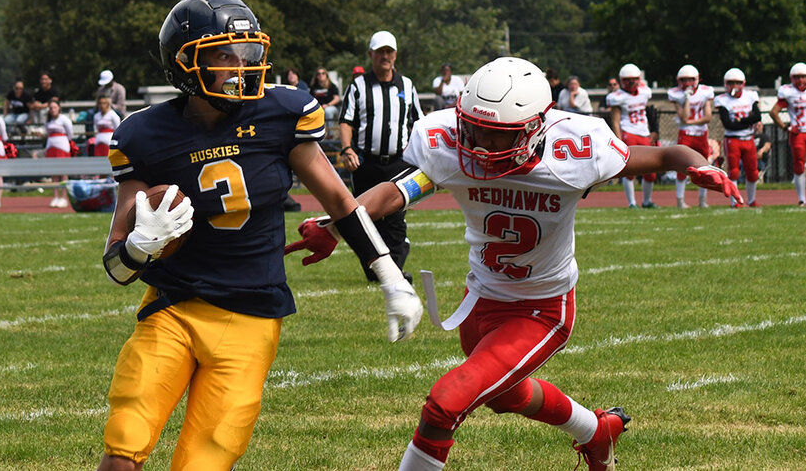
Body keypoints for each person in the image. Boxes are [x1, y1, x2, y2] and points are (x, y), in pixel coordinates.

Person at [286, 57, 741, 471]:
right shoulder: (451, 143)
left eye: (496, 134)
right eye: (475, 129)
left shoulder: (575, 150)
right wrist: (335, 224)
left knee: (445, 403)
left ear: (536, 128)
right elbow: (394, 192)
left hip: (542, 309)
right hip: (481, 297)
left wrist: (699, 163)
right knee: (506, 396)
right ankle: (596, 432)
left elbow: (663, 155)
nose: (480, 145)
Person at [96, 0, 421, 471]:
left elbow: (339, 201)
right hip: (173, 306)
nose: (240, 66)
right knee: (125, 441)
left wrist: (390, 276)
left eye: (245, 54)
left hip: (251, 316)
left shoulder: (280, 114)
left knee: (205, 461)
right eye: (223, 55)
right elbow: (117, 269)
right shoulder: (144, 135)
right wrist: (141, 248)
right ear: (186, 64)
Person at [338, 29, 424, 281]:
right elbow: (346, 121)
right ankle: (373, 271)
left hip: (398, 161)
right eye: (380, 52)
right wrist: (346, 149)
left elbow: (418, 123)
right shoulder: (358, 86)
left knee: (396, 218)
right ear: (371, 55)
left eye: (388, 52)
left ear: (395, 55)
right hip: (366, 163)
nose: (384, 56)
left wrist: (422, 156)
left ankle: (394, 271)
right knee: (364, 217)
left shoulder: (407, 86)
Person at [607, 63, 657, 208]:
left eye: (634, 79)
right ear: (622, 80)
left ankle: (647, 201)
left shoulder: (644, 92)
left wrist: (653, 130)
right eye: (628, 79)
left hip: (644, 133)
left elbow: (648, 112)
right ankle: (632, 203)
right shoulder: (617, 97)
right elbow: (615, 121)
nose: (631, 82)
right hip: (629, 133)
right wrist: (618, 140)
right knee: (629, 171)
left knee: (651, 171)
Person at [667, 64, 715, 208]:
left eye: (690, 79)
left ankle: (702, 200)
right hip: (685, 134)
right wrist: (687, 99)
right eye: (684, 79)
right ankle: (680, 201)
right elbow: (684, 117)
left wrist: (690, 122)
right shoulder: (676, 94)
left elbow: (708, 117)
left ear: (697, 79)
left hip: (701, 134)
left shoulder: (706, 92)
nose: (687, 83)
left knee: (703, 167)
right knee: (682, 168)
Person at [714, 67, 762, 207]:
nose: (734, 86)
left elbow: (757, 116)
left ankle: (752, 200)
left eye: (737, 83)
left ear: (743, 84)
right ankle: (736, 202)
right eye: (730, 83)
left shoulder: (750, 96)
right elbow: (728, 124)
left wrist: (741, 122)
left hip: (748, 139)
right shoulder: (722, 100)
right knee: (734, 172)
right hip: (732, 139)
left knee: (753, 172)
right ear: (725, 84)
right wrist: (747, 122)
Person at [769, 62, 806, 206]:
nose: (800, 80)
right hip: (797, 134)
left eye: (803, 77)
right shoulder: (787, 91)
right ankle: (802, 199)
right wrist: (786, 128)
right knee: (798, 165)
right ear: (791, 78)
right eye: (797, 77)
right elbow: (773, 112)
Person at [43, 99, 74, 208]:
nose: (52, 110)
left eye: (54, 107)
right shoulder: (48, 121)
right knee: (54, 173)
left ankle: (64, 197)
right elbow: (47, 132)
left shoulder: (64, 119)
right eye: (50, 108)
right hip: (51, 147)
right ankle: (56, 196)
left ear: (59, 108)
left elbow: (70, 133)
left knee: (63, 173)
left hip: (62, 147)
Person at [309, 66, 341, 136]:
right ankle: (314, 135)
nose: (321, 75)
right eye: (318, 74)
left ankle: (330, 135)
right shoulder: (313, 87)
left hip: (332, 107)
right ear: (316, 76)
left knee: (328, 111)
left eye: (323, 73)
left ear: (326, 75)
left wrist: (328, 105)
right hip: (318, 108)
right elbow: (310, 99)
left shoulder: (332, 86)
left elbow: (337, 98)